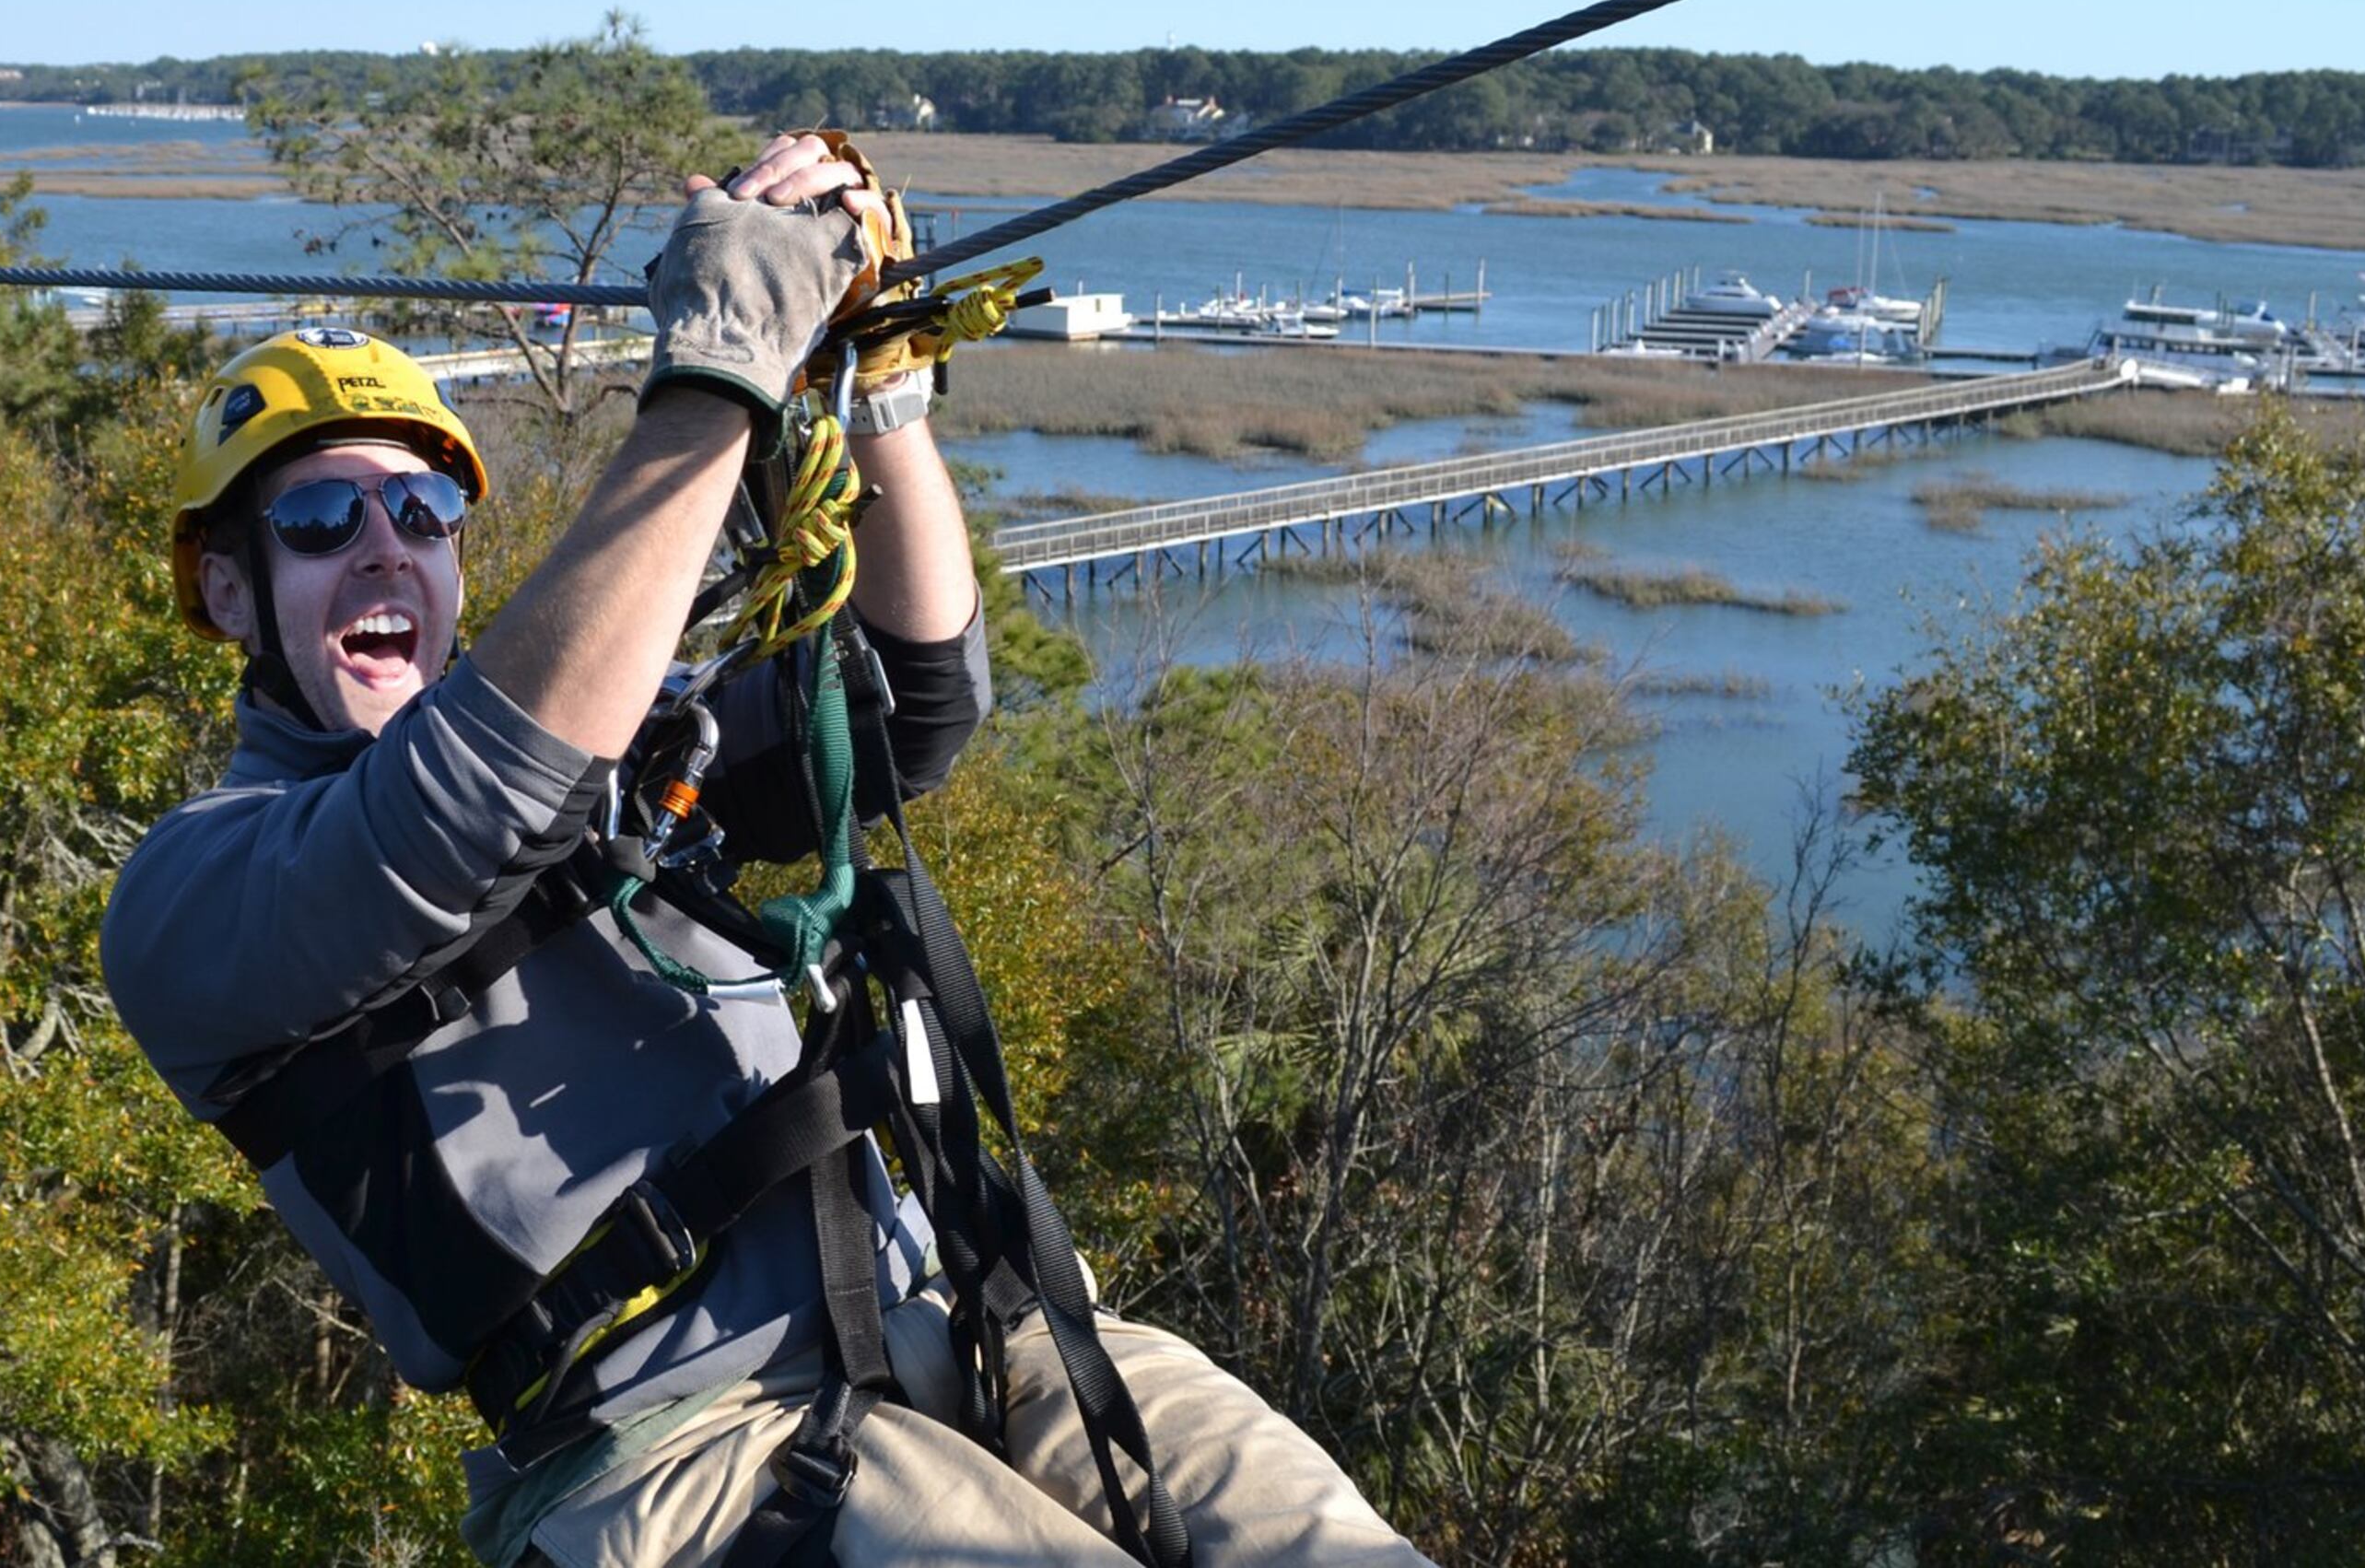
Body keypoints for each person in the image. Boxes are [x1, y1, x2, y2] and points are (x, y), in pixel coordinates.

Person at [101, 134, 1432, 1566]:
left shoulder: (619, 760)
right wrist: (723, 354)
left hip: (967, 1318)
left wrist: (880, 385)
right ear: (230, 595)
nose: (384, 546)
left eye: (422, 512)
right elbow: (468, 801)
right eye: (319, 518)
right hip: (687, 1456)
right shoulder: (192, 901)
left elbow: (915, 697)